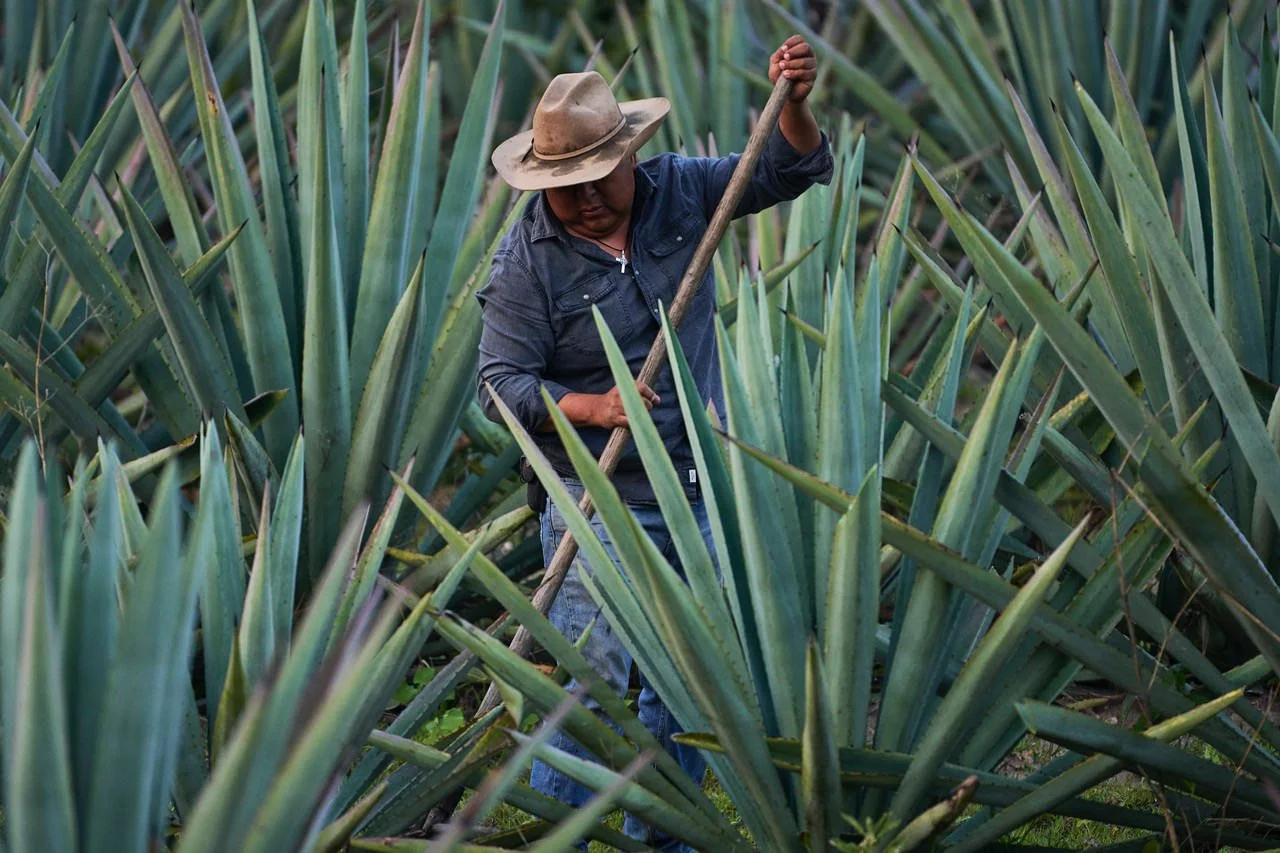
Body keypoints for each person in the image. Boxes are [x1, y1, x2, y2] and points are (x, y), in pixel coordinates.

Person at [477, 35, 832, 850]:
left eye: (599, 178)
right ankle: (560, 830)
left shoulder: (683, 191)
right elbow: (500, 385)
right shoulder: (524, 265)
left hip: (694, 486)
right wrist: (594, 407)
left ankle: (662, 836)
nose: (587, 199)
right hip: (592, 501)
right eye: (565, 189)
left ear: (630, 155)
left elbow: (789, 170)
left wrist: (798, 104)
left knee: (686, 682)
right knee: (593, 683)